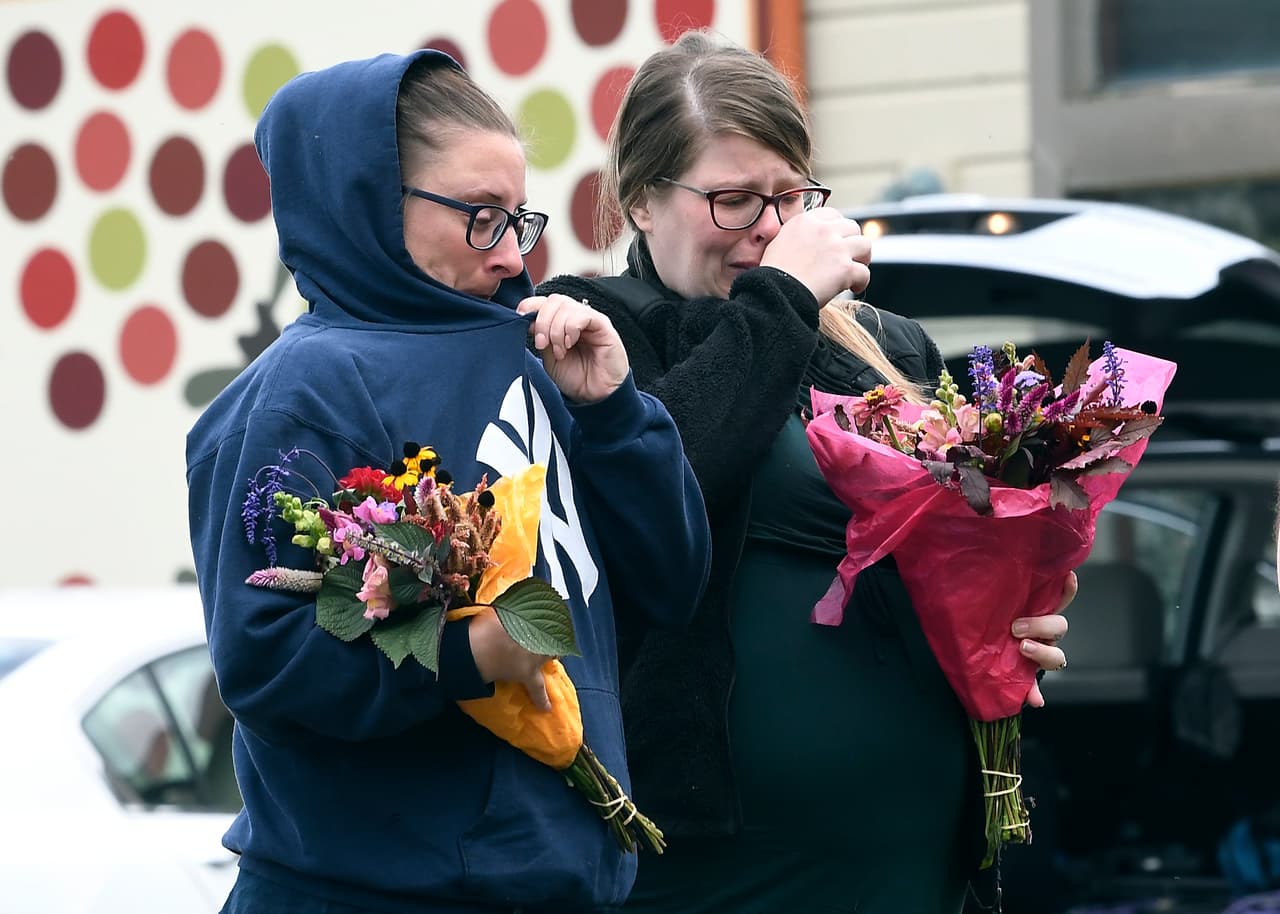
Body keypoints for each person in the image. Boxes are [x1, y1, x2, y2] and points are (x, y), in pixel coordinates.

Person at [537, 30, 1073, 914]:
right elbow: (656, 494)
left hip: (912, 852)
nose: (772, 231)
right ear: (639, 201)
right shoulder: (597, 334)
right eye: (735, 201)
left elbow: (956, 559)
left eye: (792, 197)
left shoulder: (889, 347)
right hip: (714, 867)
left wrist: (1018, 615)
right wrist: (781, 299)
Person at [185, 49, 711, 914]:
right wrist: (467, 657)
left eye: (519, 218)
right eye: (479, 216)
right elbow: (267, 666)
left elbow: (672, 580)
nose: (510, 256)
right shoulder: (302, 392)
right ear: (364, 202)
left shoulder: (536, 349)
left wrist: (618, 414)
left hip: (567, 883)